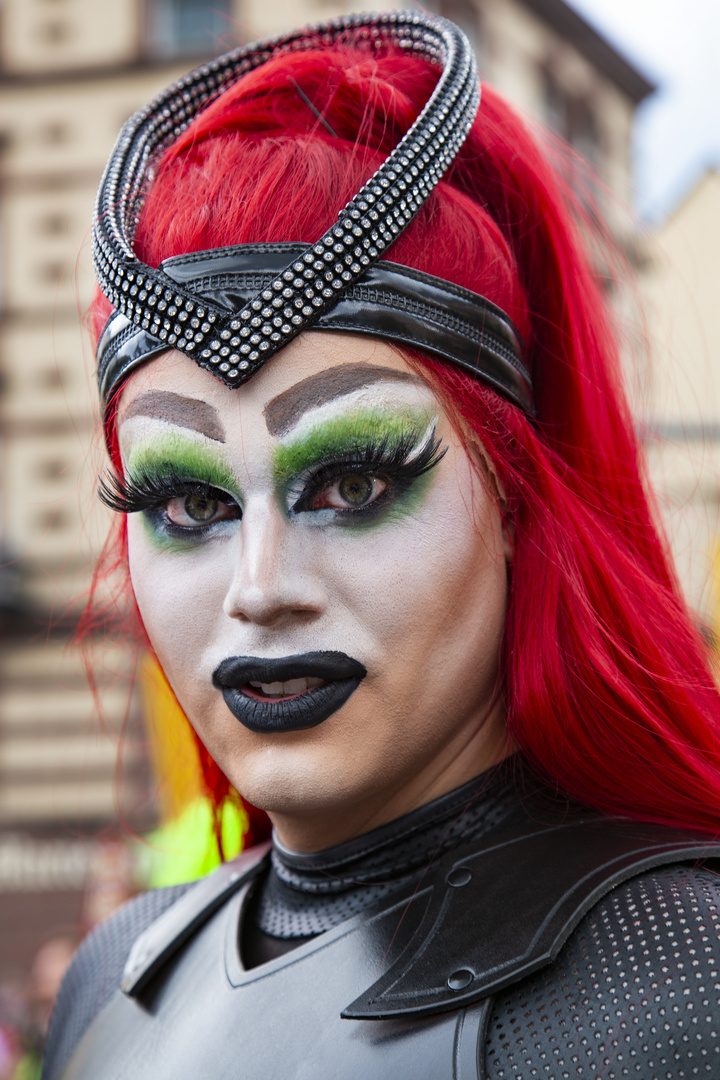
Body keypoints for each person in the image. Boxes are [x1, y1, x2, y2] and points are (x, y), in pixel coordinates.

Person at [42, 12, 720, 1079]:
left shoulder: (675, 977)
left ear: (518, 500)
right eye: (189, 505)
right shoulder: (119, 970)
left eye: (353, 482)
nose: (260, 590)